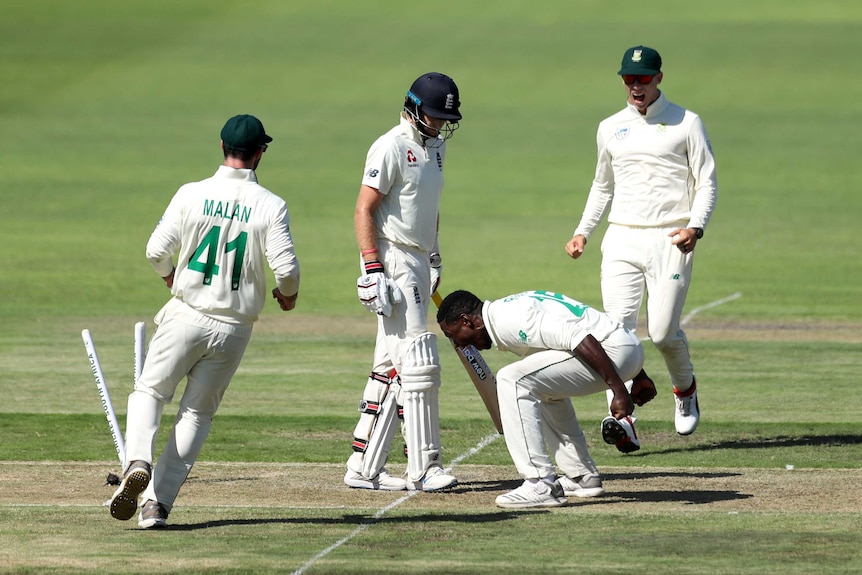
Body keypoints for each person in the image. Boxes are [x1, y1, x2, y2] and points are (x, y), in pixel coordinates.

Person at [108, 114, 300, 529]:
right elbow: (286, 269)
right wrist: (288, 295)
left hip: (186, 313)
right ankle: (156, 506)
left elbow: (155, 249)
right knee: (196, 415)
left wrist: (169, 276)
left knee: (150, 390)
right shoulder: (271, 204)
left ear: (221, 146)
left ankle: (138, 458)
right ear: (259, 153)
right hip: (234, 328)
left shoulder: (191, 194)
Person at [565, 45, 717, 447]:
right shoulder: (610, 126)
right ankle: (622, 419)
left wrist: (695, 228)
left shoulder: (687, 122)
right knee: (616, 333)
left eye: (644, 79)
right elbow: (602, 185)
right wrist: (583, 231)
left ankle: (684, 391)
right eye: (629, 79)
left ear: (659, 79)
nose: (636, 86)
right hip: (621, 237)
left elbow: (707, 183)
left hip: (670, 238)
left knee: (664, 333)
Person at [345, 72, 463, 492]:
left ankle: (363, 466)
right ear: (413, 108)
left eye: (443, 118)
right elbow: (363, 209)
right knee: (418, 360)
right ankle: (424, 467)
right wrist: (373, 270)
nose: (437, 124)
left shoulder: (437, 146)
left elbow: (429, 205)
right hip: (392, 258)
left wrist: (433, 253)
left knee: (390, 365)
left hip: (417, 257)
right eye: (432, 116)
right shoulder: (391, 146)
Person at [436, 289, 657, 508]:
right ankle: (580, 475)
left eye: (452, 335)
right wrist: (638, 373)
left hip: (612, 352)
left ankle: (540, 483)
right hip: (625, 348)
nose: (458, 345)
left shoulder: (510, 320)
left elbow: (578, 336)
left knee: (512, 380)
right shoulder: (506, 309)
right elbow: (590, 325)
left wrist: (619, 390)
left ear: (467, 322)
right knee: (539, 382)